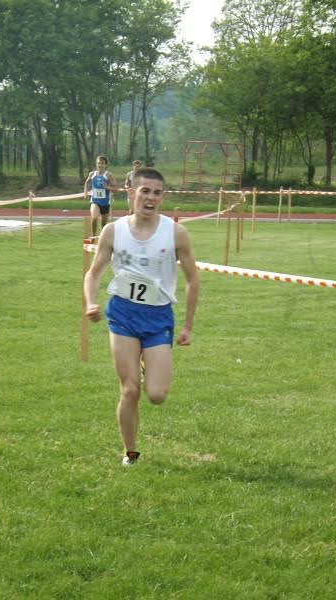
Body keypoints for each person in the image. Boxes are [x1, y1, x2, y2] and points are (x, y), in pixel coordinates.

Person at [83, 167, 200, 466]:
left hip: (158, 315)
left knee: (157, 395)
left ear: (163, 197)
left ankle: (150, 363)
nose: (150, 198)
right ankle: (130, 452)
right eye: (145, 191)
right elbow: (94, 273)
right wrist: (91, 303)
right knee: (130, 388)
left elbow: (192, 279)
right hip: (123, 313)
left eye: (157, 193)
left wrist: (187, 325)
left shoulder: (176, 233)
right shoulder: (113, 231)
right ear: (131, 192)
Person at [83, 155, 118, 237]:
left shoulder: (109, 175)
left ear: (106, 165)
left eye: (102, 163)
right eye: (99, 163)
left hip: (105, 203)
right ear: (96, 164)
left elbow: (115, 189)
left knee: (103, 224)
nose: (100, 165)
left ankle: (102, 238)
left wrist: (107, 187)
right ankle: (93, 235)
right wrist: (85, 192)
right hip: (95, 201)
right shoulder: (92, 174)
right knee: (94, 217)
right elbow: (86, 182)